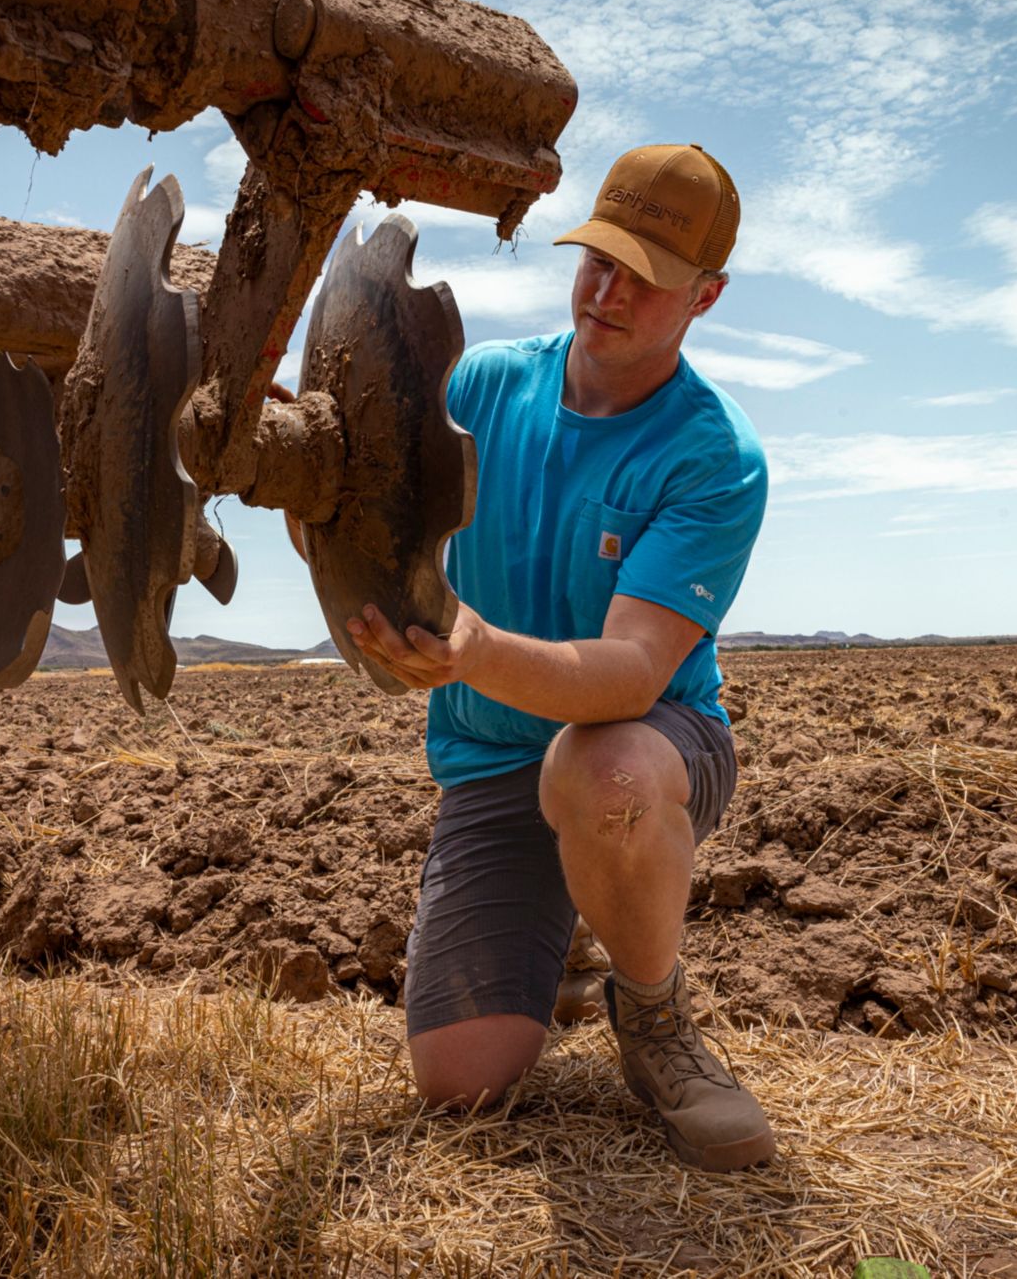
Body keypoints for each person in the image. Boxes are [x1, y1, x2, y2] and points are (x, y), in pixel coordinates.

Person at [329, 144, 772, 1171]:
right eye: (596, 260)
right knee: (461, 1080)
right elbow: (365, 496)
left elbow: (625, 674)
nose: (607, 291)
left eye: (645, 277)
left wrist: (471, 646)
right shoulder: (481, 388)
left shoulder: (711, 456)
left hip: (649, 742)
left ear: (704, 295)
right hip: (493, 762)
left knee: (598, 769)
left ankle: (652, 1015)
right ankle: (564, 925)